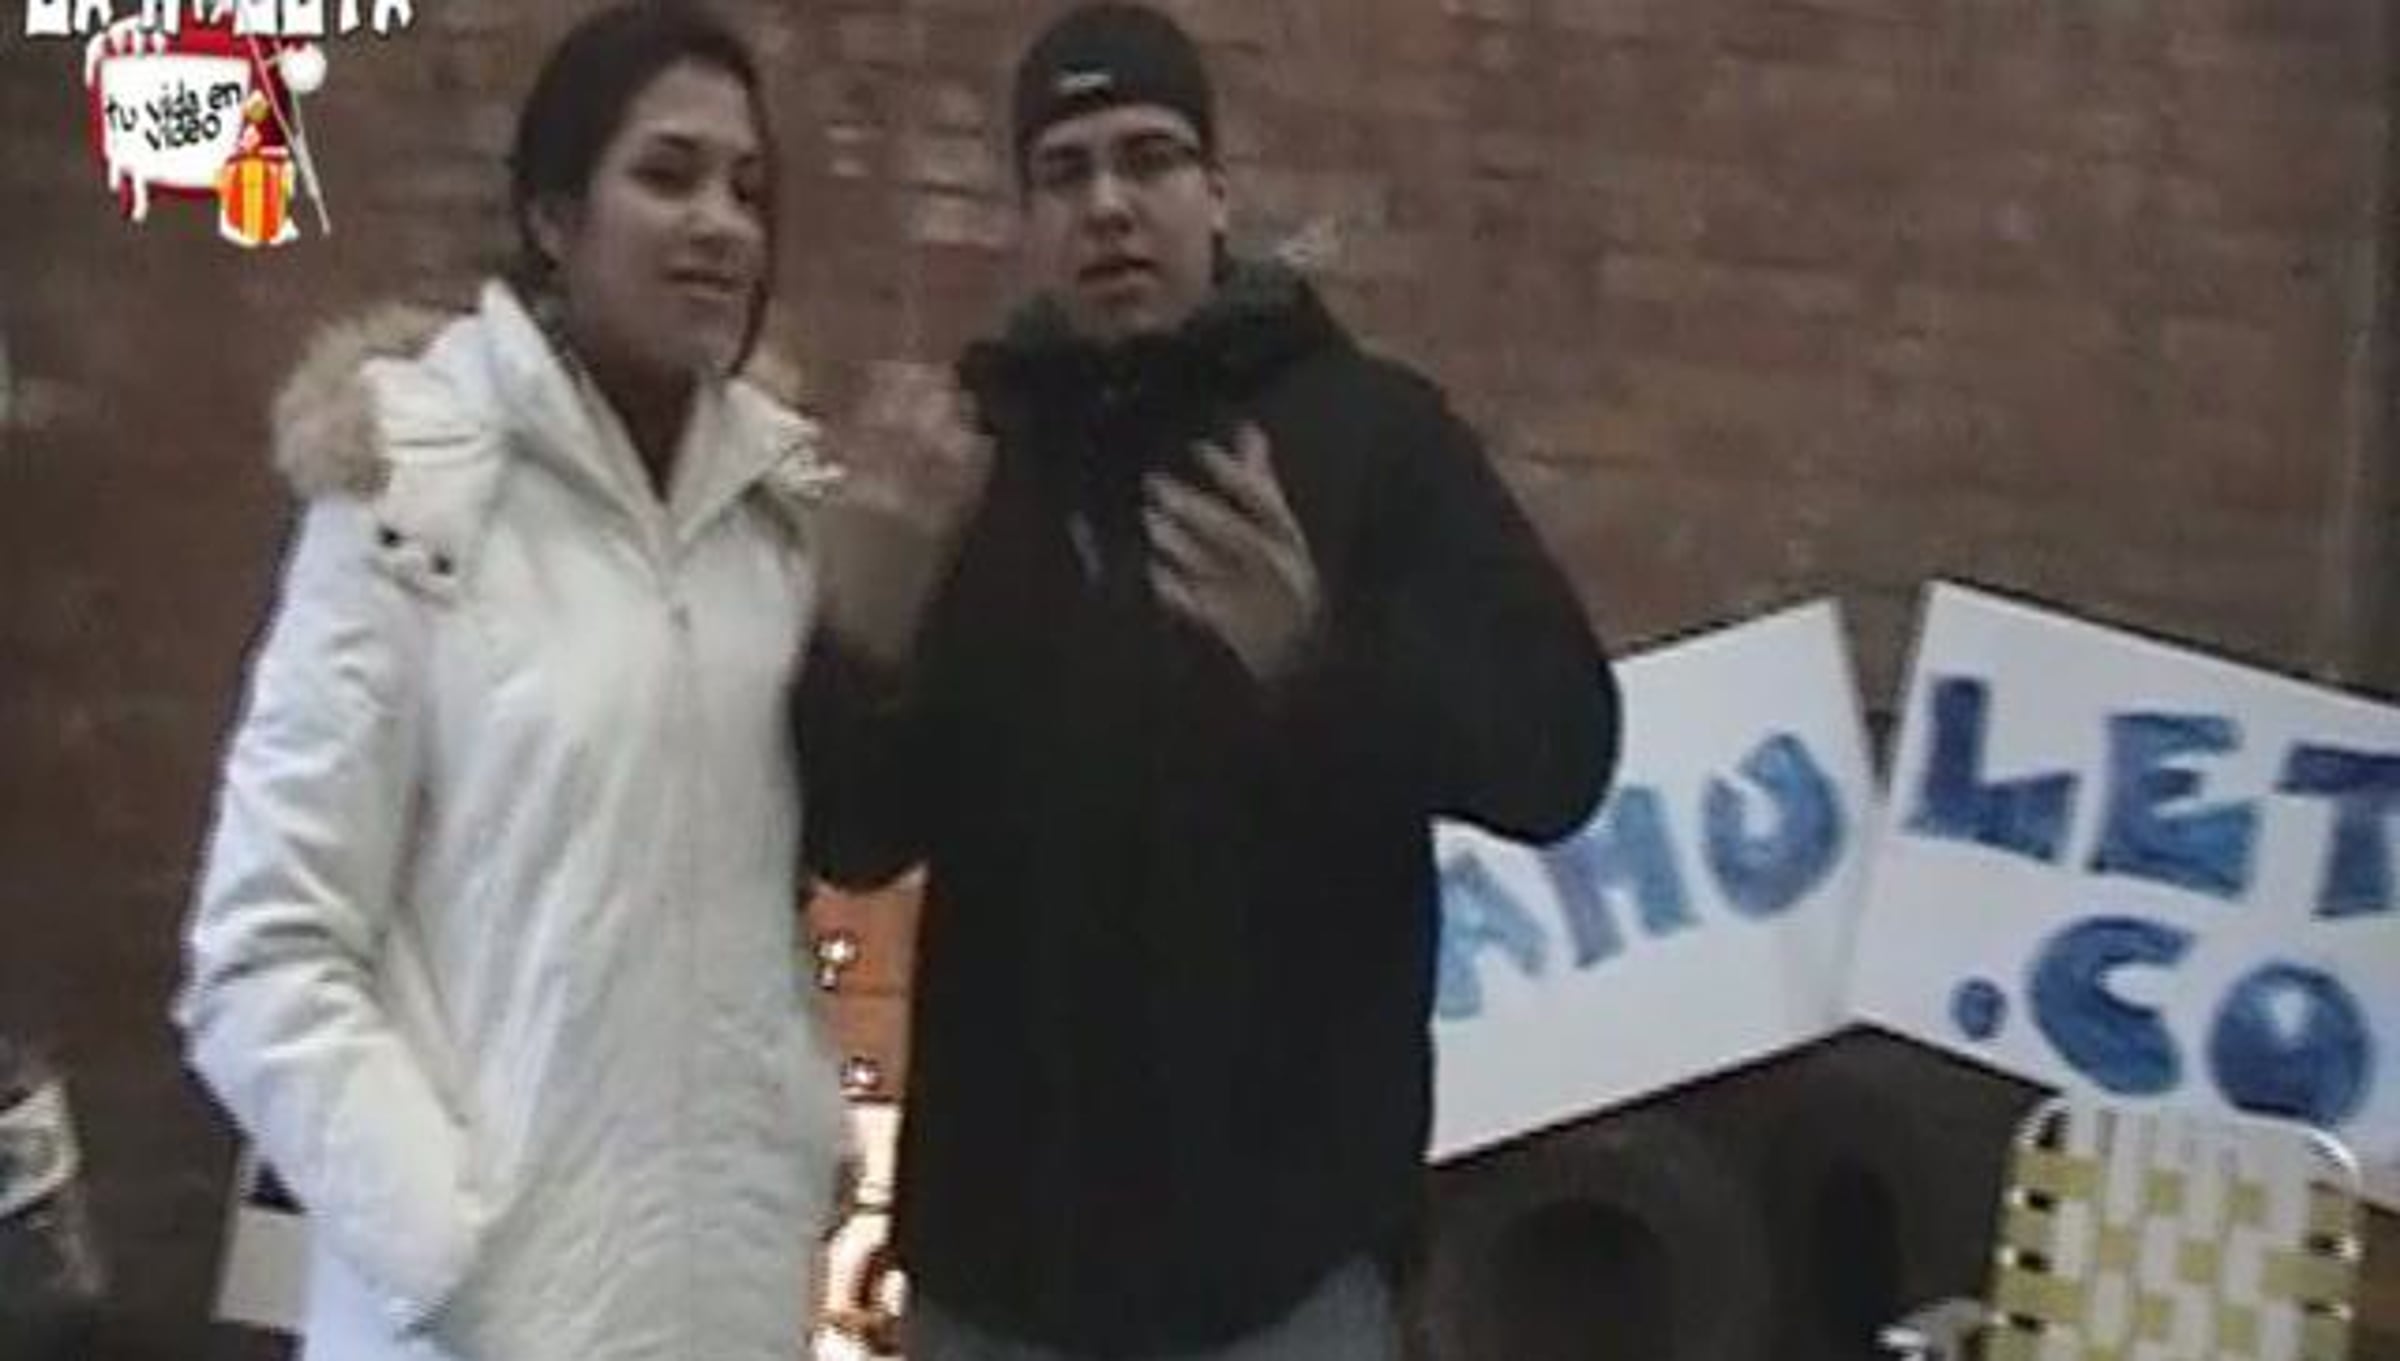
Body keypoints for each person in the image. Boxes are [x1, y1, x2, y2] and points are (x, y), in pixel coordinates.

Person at [796, 4, 1623, 1357]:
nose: (1110, 206)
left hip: (1279, 1276)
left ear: (1218, 194)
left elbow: (1562, 752)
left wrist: (1317, 663)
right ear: (1024, 222)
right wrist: (863, 644)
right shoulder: (972, 465)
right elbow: (857, 833)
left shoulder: (1369, 438)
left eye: (1150, 159)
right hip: (1001, 1279)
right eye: (1065, 173)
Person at [173, 6, 849, 1359]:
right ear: (553, 217)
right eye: (667, 175)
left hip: (728, 1310)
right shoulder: (411, 494)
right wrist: (458, 1251)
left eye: (747, 191)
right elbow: (263, 956)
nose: (719, 224)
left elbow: (745, 909)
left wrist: (804, 1134)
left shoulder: (769, 523)